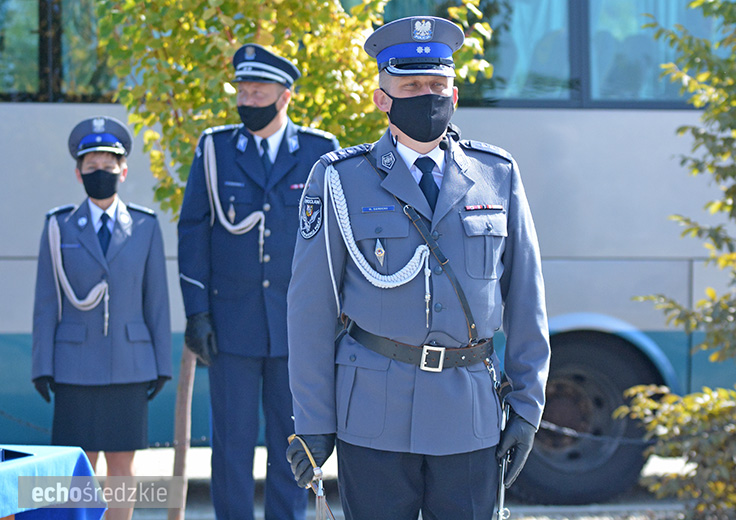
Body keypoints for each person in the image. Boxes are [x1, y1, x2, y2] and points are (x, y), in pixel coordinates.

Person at [285, 16, 550, 520]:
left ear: (453, 95)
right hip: (372, 415)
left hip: (469, 414)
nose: (427, 96)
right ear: (383, 97)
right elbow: (310, 310)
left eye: (437, 85)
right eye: (410, 85)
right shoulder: (340, 180)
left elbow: (527, 301)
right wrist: (314, 421)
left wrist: (528, 409)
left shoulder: (496, 175)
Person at [177, 43, 339, 520]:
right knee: (231, 441)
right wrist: (196, 312)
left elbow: (333, 241)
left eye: (258, 90)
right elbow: (193, 230)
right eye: (242, 91)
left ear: (285, 95)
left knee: (294, 444)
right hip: (231, 325)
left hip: (297, 329)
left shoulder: (319, 151)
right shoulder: (215, 149)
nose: (247, 99)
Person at [32, 116, 172, 520]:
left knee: (123, 468)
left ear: (123, 172)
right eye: (91, 168)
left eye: (109, 168)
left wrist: (161, 364)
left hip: (130, 365)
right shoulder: (58, 226)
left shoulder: (145, 226)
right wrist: (42, 365)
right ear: (78, 174)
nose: (101, 174)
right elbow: (46, 303)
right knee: (77, 469)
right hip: (74, 367)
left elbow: (156, 302)